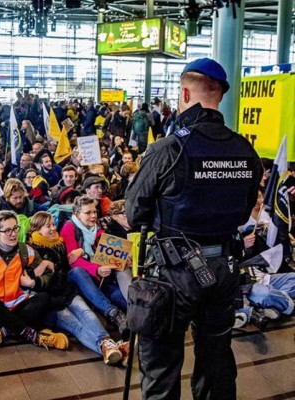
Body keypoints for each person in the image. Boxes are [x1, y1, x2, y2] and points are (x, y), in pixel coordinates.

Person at [125, 57, 263, 400]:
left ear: (184, 92)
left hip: (173, 275)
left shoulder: (169, 148)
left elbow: (134, 212)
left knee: (161, 367)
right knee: (216, 362)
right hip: (225, 271)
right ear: (220, 95)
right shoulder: (245, 150)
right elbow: (245, 210)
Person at [28, 212, 129, 365]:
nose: (53, 229)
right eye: (48, 226)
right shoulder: (31, 250)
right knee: (76, 325)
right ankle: (107, 345)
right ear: (37, 229)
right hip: (51, 301)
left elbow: (72, 267)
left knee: (87, 314)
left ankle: (109, 346)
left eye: (53, 224)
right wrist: (45, 265)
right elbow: (33, 281)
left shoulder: (60, 245)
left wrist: (83, 252)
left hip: (67, 292)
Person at [0, 211, 69, 351]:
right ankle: (35, 336)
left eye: (15, 228)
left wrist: (33, 282)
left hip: (17, 303)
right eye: (7, 230)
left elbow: (48, 275)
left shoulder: (26, 251)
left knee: (43, 298)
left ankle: (1, 332)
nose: (13, 234)